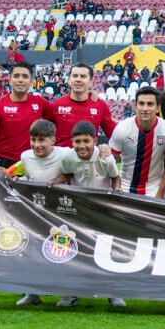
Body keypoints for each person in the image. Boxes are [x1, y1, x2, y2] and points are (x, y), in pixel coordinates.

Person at [54, 121, 124, 308]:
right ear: (72, 142)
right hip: (78, 213)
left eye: (86, 141)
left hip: (102, 212)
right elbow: (68, 175)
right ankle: (70, 294)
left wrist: (116, 191)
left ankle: (113, 294)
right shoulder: (68, 158)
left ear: (95, 141)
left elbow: (115, 177)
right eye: (77, 141)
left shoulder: (105, 158)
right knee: (74, 252)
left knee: (105, 252)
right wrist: (54, 182)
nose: (82, 145)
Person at [5, 119, 74, 306]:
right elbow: (21, 175)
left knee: (63, 252)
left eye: (42, 140)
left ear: (53, 140)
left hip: (62, 214)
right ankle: (32, 293)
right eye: (33, 140)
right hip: (36, 213)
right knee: (31, 251)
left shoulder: (66, 154)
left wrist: (103, 149)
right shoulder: (26, 157)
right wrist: (17, 179)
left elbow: (85, 157)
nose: (37, 145)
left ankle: (69, 293)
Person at [0, 62, 56, 170]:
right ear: (10, 80)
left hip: (33, 162)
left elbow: (58, 120)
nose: (20, 80)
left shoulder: (40, 103)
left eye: (25, 76)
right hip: (4, 164)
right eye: (16, 76)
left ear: (31, 81)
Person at [110, 86, 165, 198]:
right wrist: (116, 186)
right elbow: (111, 161)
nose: (145, 108)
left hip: (154, 189)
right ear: (135, 107)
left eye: (150, 104)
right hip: (125, 187)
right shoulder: (123, 128)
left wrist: (160, 192)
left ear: (158, 108)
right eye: (141, 104)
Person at [51, 63, 117, 148]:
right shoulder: (56, 105)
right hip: (61, 156)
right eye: (75, 76)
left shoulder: (100, 105)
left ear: (91, 82)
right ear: (69, 80)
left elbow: (114, 135)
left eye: (83, 76)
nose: (78, 79)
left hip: (88, 156)